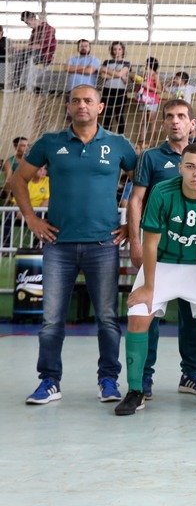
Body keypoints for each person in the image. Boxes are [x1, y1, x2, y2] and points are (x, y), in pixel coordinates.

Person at [18, 85, 138, 405]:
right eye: (75, 100)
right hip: (59, 245)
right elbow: (17, 180)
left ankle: (109, 380)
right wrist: (32, 219)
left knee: (108, 318)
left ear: (100, 107)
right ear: (69, 107)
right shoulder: (50, 142)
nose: (81, 105)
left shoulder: (117, 144)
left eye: (88, 100)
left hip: (104, 243)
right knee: (51, 319)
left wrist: (131, 224)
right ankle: (49, 382)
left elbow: (144, 184)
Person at [114, 143, 196, 416]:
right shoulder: (162, 191)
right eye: (191, 166)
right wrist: (148, 286)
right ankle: (136, 390)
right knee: (138, 313)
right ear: (181, 167)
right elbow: (150, 243)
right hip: (164, 262)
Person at [127, 99, 196, 399]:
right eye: (170, 117)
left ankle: (190, 375)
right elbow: (136, 200)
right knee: (148, 314)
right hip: (160, 254)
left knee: (194, 319)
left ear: (192, 123)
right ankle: (143, 379)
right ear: (164, 123)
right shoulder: (151, 157)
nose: (175, 122)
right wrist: (135, 241)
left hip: (195, 254)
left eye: (181, 117)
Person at [10, 11, 57, 90]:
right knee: (18, 54)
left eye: (28, 23)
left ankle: (21, 84)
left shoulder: (48, 28)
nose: (28, 26)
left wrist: (21, 48)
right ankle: (16, 84)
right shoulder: (34, 31)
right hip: (33, 53)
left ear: (32, 19)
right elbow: (30, 46)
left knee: (25, 54)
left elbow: (40, 46)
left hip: (45, 55)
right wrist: (19, 50)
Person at [99, 42, 132, 134]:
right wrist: (118, 74)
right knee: (107, 114)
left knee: (119, 114)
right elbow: (103, 76)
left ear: (123, 51)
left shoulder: (127, 63)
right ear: (112, 51)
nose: (117, 51)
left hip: (120, 91)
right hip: (107, 90)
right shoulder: (107, 62)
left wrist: (108, 71)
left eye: (119, 49)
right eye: (114, 49)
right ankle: (106, 136)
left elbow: (122, 75)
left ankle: (121, 136)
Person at [136, 57, 162, 144]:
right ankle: (141, 141)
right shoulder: (144, 75)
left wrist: (148, 87)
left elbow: (159, 90)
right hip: (144, 99)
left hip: (152, 100)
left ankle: (152, 142)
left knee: (152, 121)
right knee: (143, 121)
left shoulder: (155, 76)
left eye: (146, 63)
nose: (145, 65)